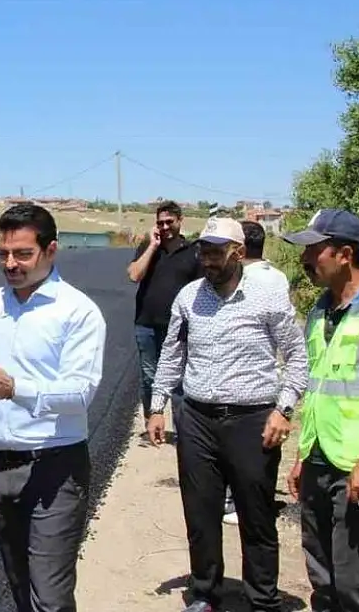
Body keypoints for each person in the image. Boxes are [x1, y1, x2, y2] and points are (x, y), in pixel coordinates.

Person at [146, 216, 308, 612]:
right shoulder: (189, 297)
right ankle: (204, 594)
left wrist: (283, 409)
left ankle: (262, 600)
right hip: (198, 421)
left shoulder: (266, 296)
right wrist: (157, 405)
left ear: (238, 253)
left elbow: (298, 357)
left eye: (217, 252)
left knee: (256, 519)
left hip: (253, 422)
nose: (208, 260)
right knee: (200, 515)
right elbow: (172, 352)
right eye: (204, 251)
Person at [0, 202, 107, 612]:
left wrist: (16, 389)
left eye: (23, 254)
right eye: (3, 254)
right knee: (18, 584)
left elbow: (80, 393)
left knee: (49, 595)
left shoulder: (77, 311)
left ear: (51, 250)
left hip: (54, 470)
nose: (11, 264)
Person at [282, 209, 359, 612]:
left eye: (314, 249)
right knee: (323, 578)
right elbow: (319, 390)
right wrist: (301, 457)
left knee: (355, 585)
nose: (305, 259)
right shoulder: (319, 312)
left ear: (345, 253)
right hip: (319, 461)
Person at [216, 220, 295, 527]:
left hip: (241, 377)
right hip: (268, 373)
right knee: (263, 445)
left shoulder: (239, 280)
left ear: (239, 249)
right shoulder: (277, 277)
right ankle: (254, 498)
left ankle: (233, 500)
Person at [127, 201, 204, 429]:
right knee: (149, 378)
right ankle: (153, 423)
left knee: (179, 381)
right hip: (146, 324)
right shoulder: (148, 248)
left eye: (169, 222)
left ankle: (182, 430)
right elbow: (134, 275)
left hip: (179, 327)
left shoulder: (193, 252)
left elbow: (200, 291)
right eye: (160, 222)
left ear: (180, 221)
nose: (165, 226)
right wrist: (152, 246)